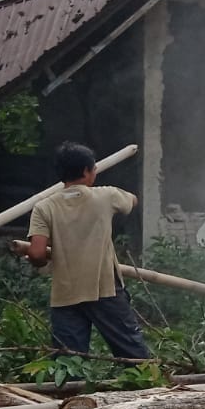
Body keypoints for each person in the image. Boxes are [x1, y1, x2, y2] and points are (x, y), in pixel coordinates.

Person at [15, 142, 151, 359]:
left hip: (65, 294)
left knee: (69, 363)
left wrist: (38, 260)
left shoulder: (44, 207)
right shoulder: (106, 196)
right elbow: (133, 200)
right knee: (135, 357)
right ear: (87, 171)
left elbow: (37, 254)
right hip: (104, 289)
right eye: (94, 168)